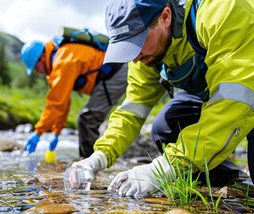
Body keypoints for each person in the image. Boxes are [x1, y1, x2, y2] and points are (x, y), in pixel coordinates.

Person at [65, 0, 254, 199]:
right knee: (166, 127)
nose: (134, 57)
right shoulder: (142, 54)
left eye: (137, 41)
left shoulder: (221, 9)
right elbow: (132, 109)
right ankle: (232, 181)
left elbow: (236, 100)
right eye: (127, 46)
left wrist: (163, 169)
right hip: (213, 90)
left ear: (165, 17)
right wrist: (99, 157)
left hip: (245, 82)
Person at [21, 37, 128, 157]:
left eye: (36, 68)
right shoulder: (58, 61)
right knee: (87, 119)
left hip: (117, 72)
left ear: (42, 58)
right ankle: (92, 159)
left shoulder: (62, 61)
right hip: (112, 73)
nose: (38, 72)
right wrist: (56, 132)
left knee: (87, 119)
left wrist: (38, 132)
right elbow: (62, 102)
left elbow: (56, 104)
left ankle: (91, 163)